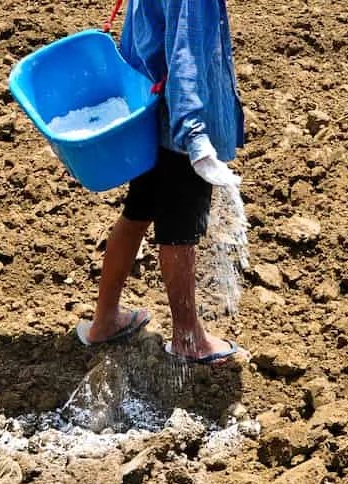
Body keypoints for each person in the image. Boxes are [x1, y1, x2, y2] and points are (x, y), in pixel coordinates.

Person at [74, 0, 249, 365]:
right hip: (179, 127)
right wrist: (196, 140)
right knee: (179, 229)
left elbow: (138, 38)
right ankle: (188, 337)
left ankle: (104, 320)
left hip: (148, 113)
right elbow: (187, 57)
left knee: (139, 210)